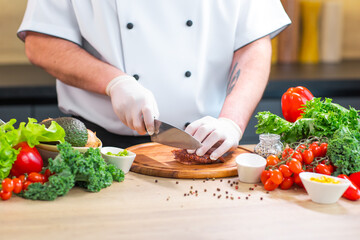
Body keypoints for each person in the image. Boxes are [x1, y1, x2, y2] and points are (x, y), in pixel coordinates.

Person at [18, 0, 290, 161]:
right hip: (97, 145)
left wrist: (231, 121)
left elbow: (254, 42)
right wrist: (114, 83)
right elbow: (42, 42)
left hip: (206, 144)